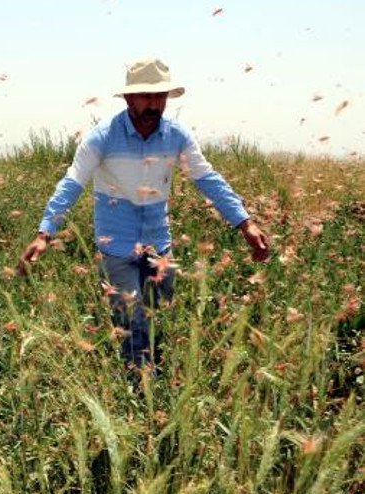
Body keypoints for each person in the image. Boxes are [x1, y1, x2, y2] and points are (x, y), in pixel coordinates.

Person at [19, 59, 270, 387]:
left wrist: (245, 224)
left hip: (158, 244)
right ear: (128, 99)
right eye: (145, 96)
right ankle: (143, 395)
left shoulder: (176, 136)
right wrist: (45, 233)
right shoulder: (102, 138)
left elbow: (208, 179)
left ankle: (148, 379)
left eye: (160, 97)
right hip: (116, 246)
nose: (154, 104)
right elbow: (72, 182)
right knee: (134, 319)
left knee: (158, 315)